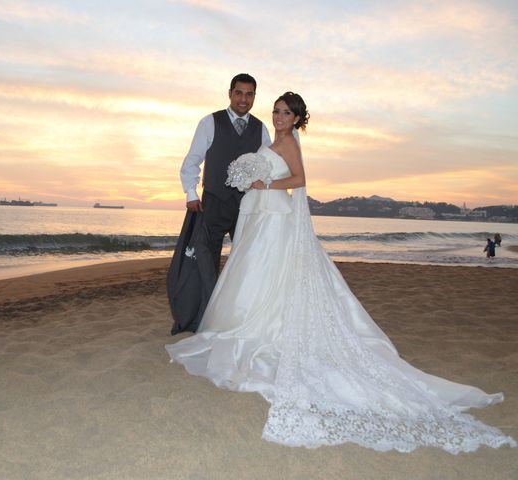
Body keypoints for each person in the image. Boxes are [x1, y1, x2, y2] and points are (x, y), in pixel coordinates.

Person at [166, 92, 516, 453]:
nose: (278, 116)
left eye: (285, 113)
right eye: (276, 111)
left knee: (268, 268)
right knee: (253, 269)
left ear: (297, 118)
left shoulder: (287, 143)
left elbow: (299, 180)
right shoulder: (272, 140)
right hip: (258, 214)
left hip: (273, 216)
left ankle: (261, 326)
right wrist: (247, 180)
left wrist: (264, 183)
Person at [167, 73, 272, 335]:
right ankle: (205, 319)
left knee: (245, 261)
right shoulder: (210, 122)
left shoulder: (261, 129)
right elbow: (192, 160)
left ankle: (239, 318)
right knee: (206, 261)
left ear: (254, 97)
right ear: (230, 93)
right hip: (213, 203)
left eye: (249, 94)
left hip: (247, 205)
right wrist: (191, 193)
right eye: (239, 93)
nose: (243, 99)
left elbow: (267, 167)